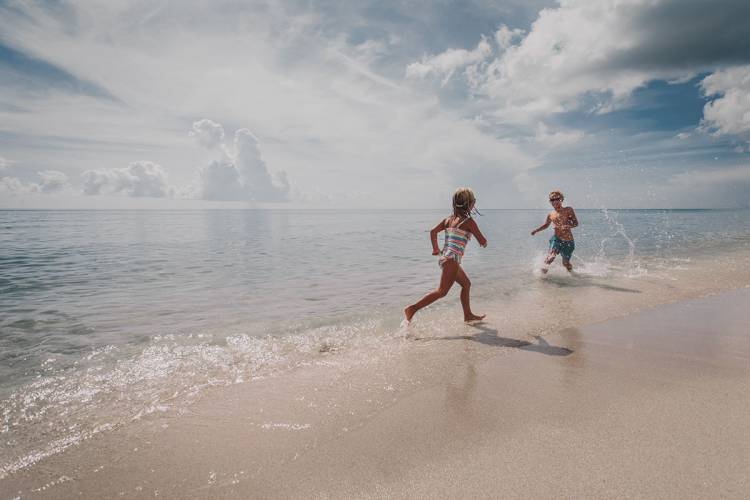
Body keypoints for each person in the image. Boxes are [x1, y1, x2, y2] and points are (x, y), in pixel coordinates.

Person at [404, 187, 487, 324]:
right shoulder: (469, 222)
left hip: (445, 258)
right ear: (469, 204)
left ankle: (468, 315)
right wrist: (484, 243)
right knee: (442, 291)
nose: (474, 203)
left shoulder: (448, 220)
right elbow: (482, 241)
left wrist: (436, 249)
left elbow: (433, 232)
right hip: (451, 260)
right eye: (474, 201)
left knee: (466, 284)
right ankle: (412, 308)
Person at [531, 190, 578, 273]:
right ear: (550, 202)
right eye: (552, 200)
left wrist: (567, 226)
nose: (555, 201)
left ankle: (573, 274)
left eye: (557, 199)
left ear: (561, 199)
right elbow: (546, 225)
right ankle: (541, 279)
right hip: (556, 239)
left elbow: (575, 223)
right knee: (550, 258)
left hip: (568, 241)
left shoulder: (568, 210)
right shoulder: (551, 214)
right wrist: (536, 230)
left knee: (565, 263)